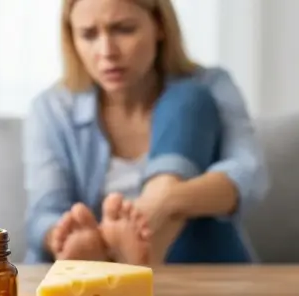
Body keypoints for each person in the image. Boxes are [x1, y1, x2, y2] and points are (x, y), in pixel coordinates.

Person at [23, 0, 269, 265]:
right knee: (73, 237)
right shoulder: (52, 108)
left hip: (193, 257)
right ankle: (117, 256)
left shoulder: (211, 84)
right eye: (89, 35)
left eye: (124, 29)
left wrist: (165, 202)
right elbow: (44, 212)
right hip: (95, 263)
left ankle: (142, 251)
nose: (106, 51)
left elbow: (250, 173)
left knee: (189, 98)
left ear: (160, 26)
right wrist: (66, 237)